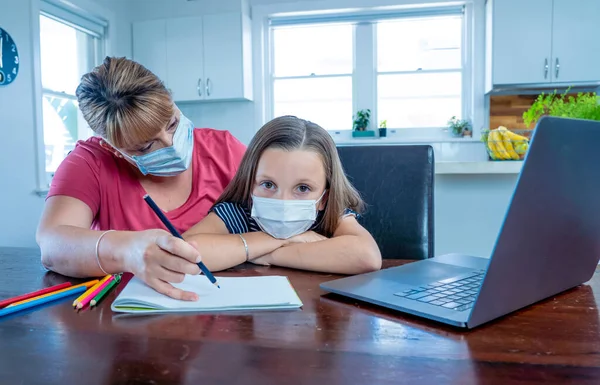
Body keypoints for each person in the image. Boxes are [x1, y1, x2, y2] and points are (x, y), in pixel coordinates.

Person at [36, 57, 246, 301]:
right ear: (114, 148)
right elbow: (51, 247)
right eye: (146, 147)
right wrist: (127, 250)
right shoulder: (89, 162)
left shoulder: (224, 150)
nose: (171, 145)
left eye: (172, 124)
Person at [183, 116, 382, 274]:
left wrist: (268, 255)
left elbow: (367, 257)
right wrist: (279, 240)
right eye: (268, 184)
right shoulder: (238, 212)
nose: (283, 202)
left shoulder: (329, 213)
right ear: (250, 184)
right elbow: (187, 251)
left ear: (324, 197)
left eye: (303, 188)